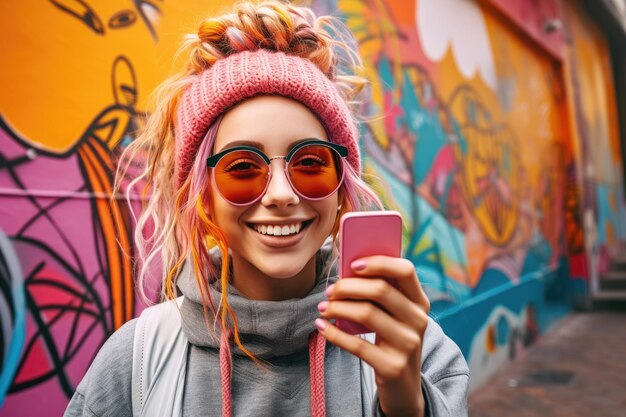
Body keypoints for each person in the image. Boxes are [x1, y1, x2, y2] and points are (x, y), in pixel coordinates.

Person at [64, 1, 469, 416]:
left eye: (310, 163)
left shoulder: (423, 357)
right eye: (242, 168)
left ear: (340, 186)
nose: (280, 195)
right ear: (202, 195)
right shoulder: (134, 365)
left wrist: (406, 404)